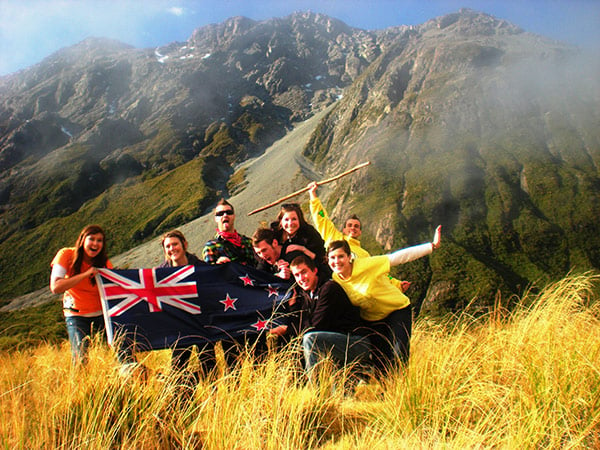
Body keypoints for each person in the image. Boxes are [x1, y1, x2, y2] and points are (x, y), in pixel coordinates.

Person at [326, 225, 441, 372]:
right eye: (332, 258)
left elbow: (398, 258)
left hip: (396, 310)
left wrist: (431, 246)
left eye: (341, 256)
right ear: (328, 260)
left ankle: (403, 389)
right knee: (381, 362)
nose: (337, 261)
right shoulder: (336, 280)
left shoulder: (366, 265)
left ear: (349, 257)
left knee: (399, 354)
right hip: (372, 321)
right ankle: (386, 392)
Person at [307, 181, 410, 292]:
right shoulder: (334, 237)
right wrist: (313, 195)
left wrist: (397, 284)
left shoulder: (364, 254)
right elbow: (321, 219)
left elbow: (379, 271)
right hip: (331, 285)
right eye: (350, 225)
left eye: (356, 226)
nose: (353, 228)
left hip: (352, 290)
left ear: (360, 232)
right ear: (344, 229)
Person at [289, 254, 370, 375]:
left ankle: (316, 391)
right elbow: (303, 322)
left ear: (314, 270)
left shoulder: (328, 289)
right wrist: (293, 306)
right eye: (297, 275)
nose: (301, 278)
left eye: (304, 272)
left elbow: (315, 326)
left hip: (355, 343)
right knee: (339, 392)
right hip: (333, 347)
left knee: (311, 339)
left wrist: (288, 328)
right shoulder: (307, 295)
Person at [50, 224, 112, 365]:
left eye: (100, 240)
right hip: (76, 315)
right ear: (83, 239)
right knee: (80, 358)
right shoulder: (66, 255)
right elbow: (55, 287)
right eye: (92, 239)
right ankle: (80, 385)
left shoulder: (104, 263)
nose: (96, 243)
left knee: (110, 355)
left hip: (101, 315)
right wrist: (85, 275)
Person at [157, 230, 205, 377]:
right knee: (178, 366)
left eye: (175, 244)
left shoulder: (201, 267)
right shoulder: (160, 274)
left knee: (208, 362)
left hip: (202, 323)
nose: (172, 249)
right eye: (168, 246)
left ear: (184, 244)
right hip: (179, 325)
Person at [271, 203, 329, 276]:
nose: (290, 223)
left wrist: (302, 249)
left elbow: (320, 258)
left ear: (300, 220)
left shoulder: (309, 233)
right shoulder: (274, 234)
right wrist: (277, 263)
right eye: (286, 219)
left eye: (294, 219)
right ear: (281, 221)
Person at [202, 199, 257, 267]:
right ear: (216, 219)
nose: (225, 215)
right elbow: (210, 274)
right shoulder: (211, 247)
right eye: (220, 213)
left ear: (234, 216)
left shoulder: (248, 242)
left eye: (229, 212)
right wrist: (219, 266)